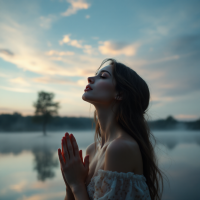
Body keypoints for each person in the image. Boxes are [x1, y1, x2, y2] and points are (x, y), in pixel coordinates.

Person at [61, 58, 166, 200]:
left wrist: (77, 184)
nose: (90, 78)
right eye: (95, 74)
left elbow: (78, 187)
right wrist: (70, 184)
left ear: (120, 94)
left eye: (103, 76)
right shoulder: (92, 150)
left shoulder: (120, 148)